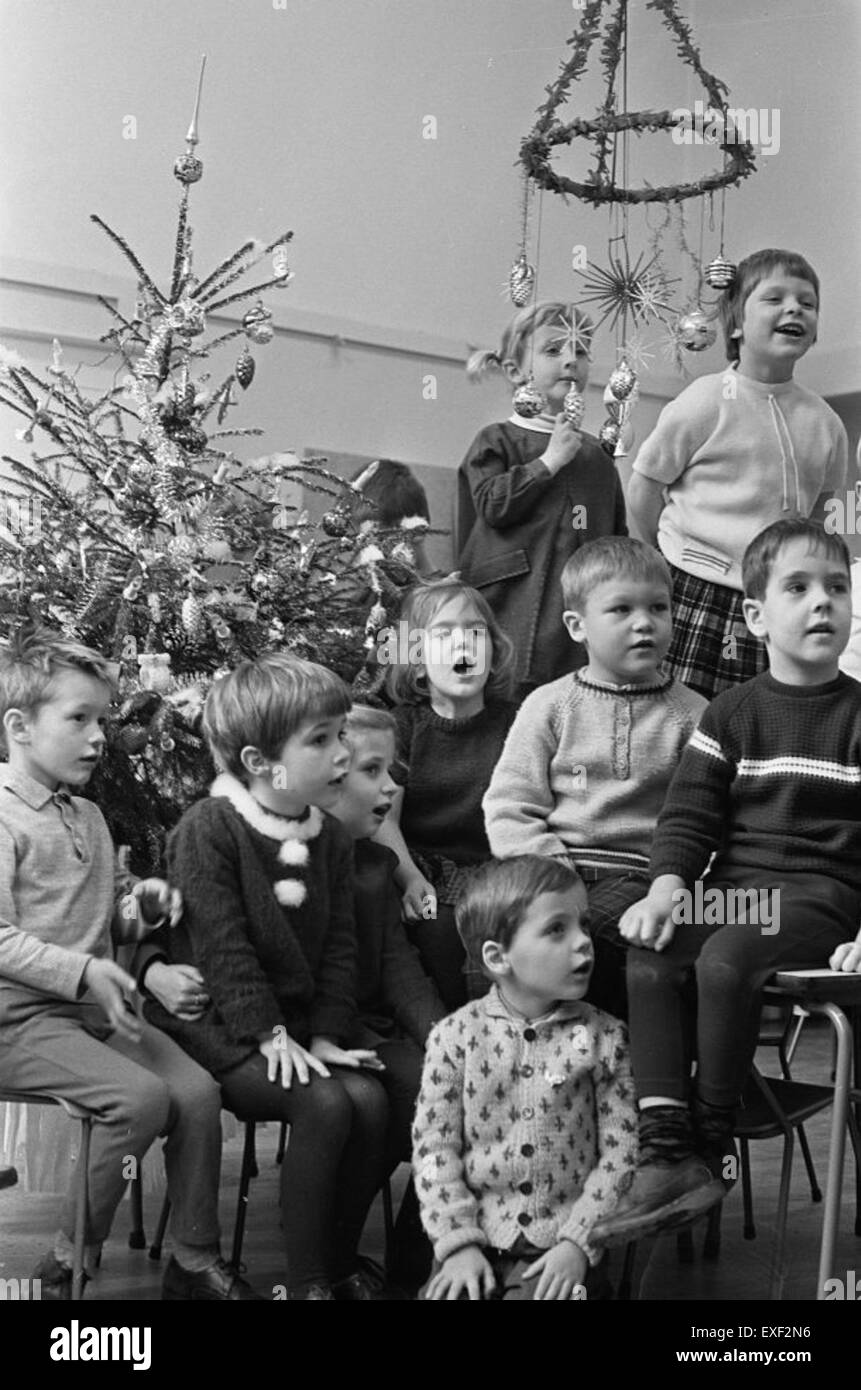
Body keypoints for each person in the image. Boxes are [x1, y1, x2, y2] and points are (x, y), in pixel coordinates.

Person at [592, 519, 861, 1247]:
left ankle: (709, 1147)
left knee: (725, 958)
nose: (821, 604)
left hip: (821, 896)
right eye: (798, 588)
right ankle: (663, 1151)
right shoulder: (731, 712)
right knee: (648, 956)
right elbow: (687, 817)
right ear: (754, 615)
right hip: (739, 890)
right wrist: (665, 890)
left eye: (836, 587)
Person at [0, 628, 259, 1301]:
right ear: (19, 727)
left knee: (198, 1094)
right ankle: (69, 1258)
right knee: (138, 1100)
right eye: (78, 719)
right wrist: (83, 972)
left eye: (103, 721)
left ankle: (193, 1259)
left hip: (96, 1013)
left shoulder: (87, 815)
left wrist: (137, 909)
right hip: (18, 1022)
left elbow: (105, 919)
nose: (97, 738)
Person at [144, 652, 390, 1301]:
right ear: (260, 763)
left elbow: (340, 948)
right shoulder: (209, 831)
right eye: (321, 740)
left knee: (369, 1098)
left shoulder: (329, 838)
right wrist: (270, 1035)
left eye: (340, 735)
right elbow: (223, 950)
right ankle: (309, 1284)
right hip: (222, 1026)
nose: (341, 752)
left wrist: (326, 1035)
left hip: (298, 1026)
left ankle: (334, 1263)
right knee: (325, 1100)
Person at [483, 538, 706, 1019]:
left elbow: (709, 817)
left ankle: (612, 1065)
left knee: (597, 937)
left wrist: (678, 889)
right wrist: (554, 872)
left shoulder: (694, 716)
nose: (644, 622)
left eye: (658, 608)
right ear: (576, 625)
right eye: (621, 609)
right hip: (552, 867)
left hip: (642, 878)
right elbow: (509, 804)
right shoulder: (549, 705)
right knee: (492, 929)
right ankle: (507, 1062)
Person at [412, 855, 638, 1300]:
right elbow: (434, 1150)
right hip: (473, 1237)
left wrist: (579, 1242)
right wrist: (458, 1245)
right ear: (498, 957)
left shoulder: (606, 1038)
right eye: (557, 929)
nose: (583, 944)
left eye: (584, 926)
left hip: (563, 1245)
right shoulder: (453, 1038)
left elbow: (622, 1154)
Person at [627, 248, 848, 700]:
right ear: (736, 325)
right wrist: (657, 565)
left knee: (760, 719)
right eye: (775, 299)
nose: (794, 309)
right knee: (676, 717)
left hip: (775, 597)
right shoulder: (706, 399)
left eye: (807, 303)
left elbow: (825, 517)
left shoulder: (826, 422)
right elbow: (646, 485)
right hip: (691, 588)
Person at [330, 703, 446, 1295]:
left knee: (450, 1082)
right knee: (406, 1101)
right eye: (373, 771)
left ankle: (417, 1264)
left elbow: (402, 971)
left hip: (373, 1032)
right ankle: (337, 1258)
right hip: (329, 1037)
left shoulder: (377, 863)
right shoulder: (304, 866)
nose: (392, 786)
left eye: (391, 769)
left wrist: (447, 1036)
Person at [457, 300, 628, 698]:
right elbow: (493, 506)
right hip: (507, 609)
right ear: (517, 371)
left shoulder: (596, 456)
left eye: (581, 351)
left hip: (576, 625)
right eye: (553, 350)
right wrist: (548, 462)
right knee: (501, 709)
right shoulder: (496, 439)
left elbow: (614, 535)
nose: (571, 360)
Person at [374, 578, 517, 1009]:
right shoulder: (402, 727)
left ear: (492, 652)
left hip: (500, 867)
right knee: (437, 928)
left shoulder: (518, 721)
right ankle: (457, 1035)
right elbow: (384, 818)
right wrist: (410, 879)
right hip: (427, 872)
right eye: (444, 635)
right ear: (416, 663)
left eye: (476, 633)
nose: (464, 645)